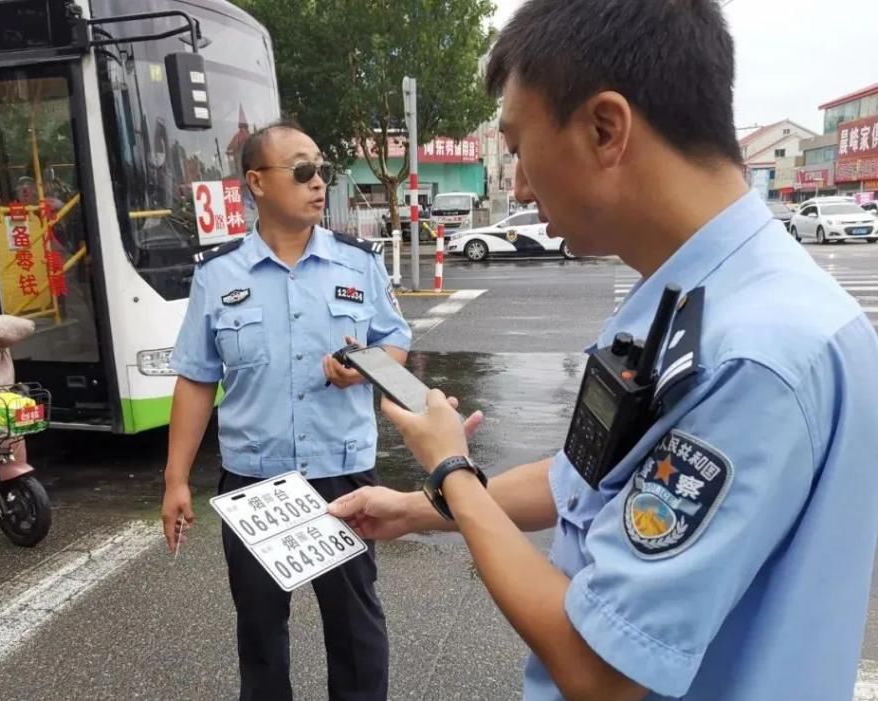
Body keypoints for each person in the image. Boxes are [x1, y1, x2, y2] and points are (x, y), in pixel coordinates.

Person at [328, 1, 878, 700]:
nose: (519, 186)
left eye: (520, 148)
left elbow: (601, 669)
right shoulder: (697, 296)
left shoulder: (755, 352)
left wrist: (452, 472)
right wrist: (416, 504)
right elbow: (583, 484)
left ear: (604, 129)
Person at [161, 120, 411, 701]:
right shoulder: (218, 274)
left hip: (341, 473)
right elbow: (197, 379)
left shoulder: (358, 264)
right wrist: (176, 479)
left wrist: (367, 364)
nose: (318, 181)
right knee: (261, 631)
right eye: (302, 171)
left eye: (321, 169)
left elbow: (396, 341)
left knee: (355, 627)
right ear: (257, 182)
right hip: (256, 480)